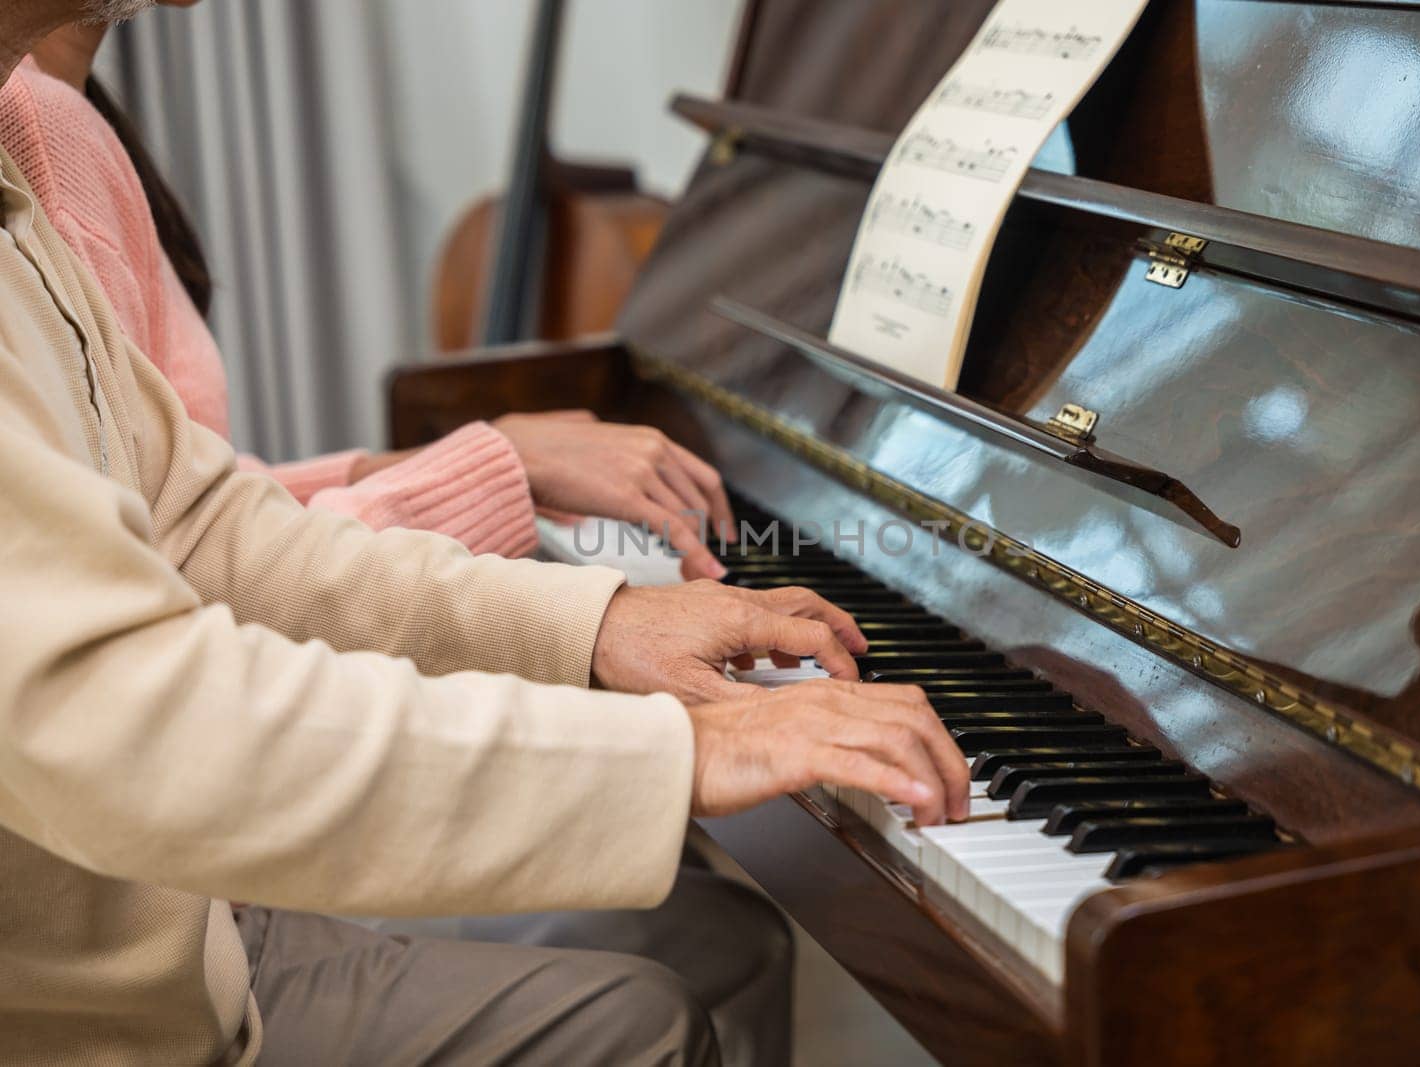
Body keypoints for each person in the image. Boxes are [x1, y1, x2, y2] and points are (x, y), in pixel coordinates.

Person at [0, 5, 973, 1066]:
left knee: (680, 965)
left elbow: (205, 526)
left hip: (164, 939)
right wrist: (677, 751)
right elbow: (132, 717)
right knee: (644, 1017)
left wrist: (598, 622)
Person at [16, 3, 739, 582]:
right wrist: (496, 470)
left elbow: (199, 500)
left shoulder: (62, 117)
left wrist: (479, 455)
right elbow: (191, 573)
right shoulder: (42, 126)